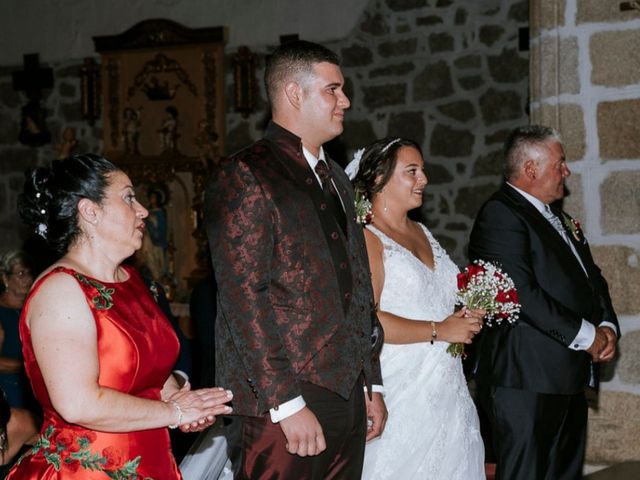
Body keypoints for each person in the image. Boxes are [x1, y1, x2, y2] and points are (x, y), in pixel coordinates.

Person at [204, 40, 387, 479]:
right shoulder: (245, 174)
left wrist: (371, 382)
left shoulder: (338, 178)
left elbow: (358, 288)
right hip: (285, 397)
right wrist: (285, 404)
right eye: (333, 89)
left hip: (346, 391)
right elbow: (244, 300)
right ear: (294, 94)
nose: (345, 101)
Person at [6, 153, 233, 479]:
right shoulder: (61, 290)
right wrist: (173, 412)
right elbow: (79, 404)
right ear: (90, 211)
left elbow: (150, 375)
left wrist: (182, 400)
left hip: (151, 461)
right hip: (86, 470)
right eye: (128, 197)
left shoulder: (133, 280)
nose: (142, 210)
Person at [468, 125, 619, 480]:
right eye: (560, 162)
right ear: (531, 169)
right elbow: (521, 292)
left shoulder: (560, 218)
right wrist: (587, 336)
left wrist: (607, 326)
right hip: (525, 380)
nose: (566, 171)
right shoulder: (501, 214)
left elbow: (591, 278)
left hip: (567, 376)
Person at [347, 137, 485, 479]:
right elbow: (366, 319)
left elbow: (437, 297)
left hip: (448, 389)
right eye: (412, 171)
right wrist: (441, 330)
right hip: (402, 389)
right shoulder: (367, 237)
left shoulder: (421, 231)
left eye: (422, 170)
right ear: (379, 179)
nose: (423, 179)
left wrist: (467, 314)